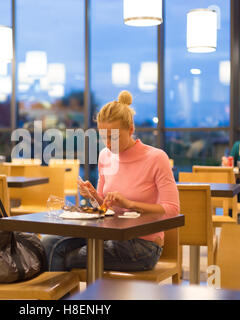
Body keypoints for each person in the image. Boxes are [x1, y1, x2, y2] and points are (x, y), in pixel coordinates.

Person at [41, 90, 180, 272]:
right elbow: (104, 208)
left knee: (61, 256)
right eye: (103, 136)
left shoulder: (156, 158)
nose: (107, 143)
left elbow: (173, 210)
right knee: (49, 243)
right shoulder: (105, 156)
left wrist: (130, 204)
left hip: (142, 245)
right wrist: (94, 196)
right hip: (109, 235)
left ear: (130, 129)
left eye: (113, 137)